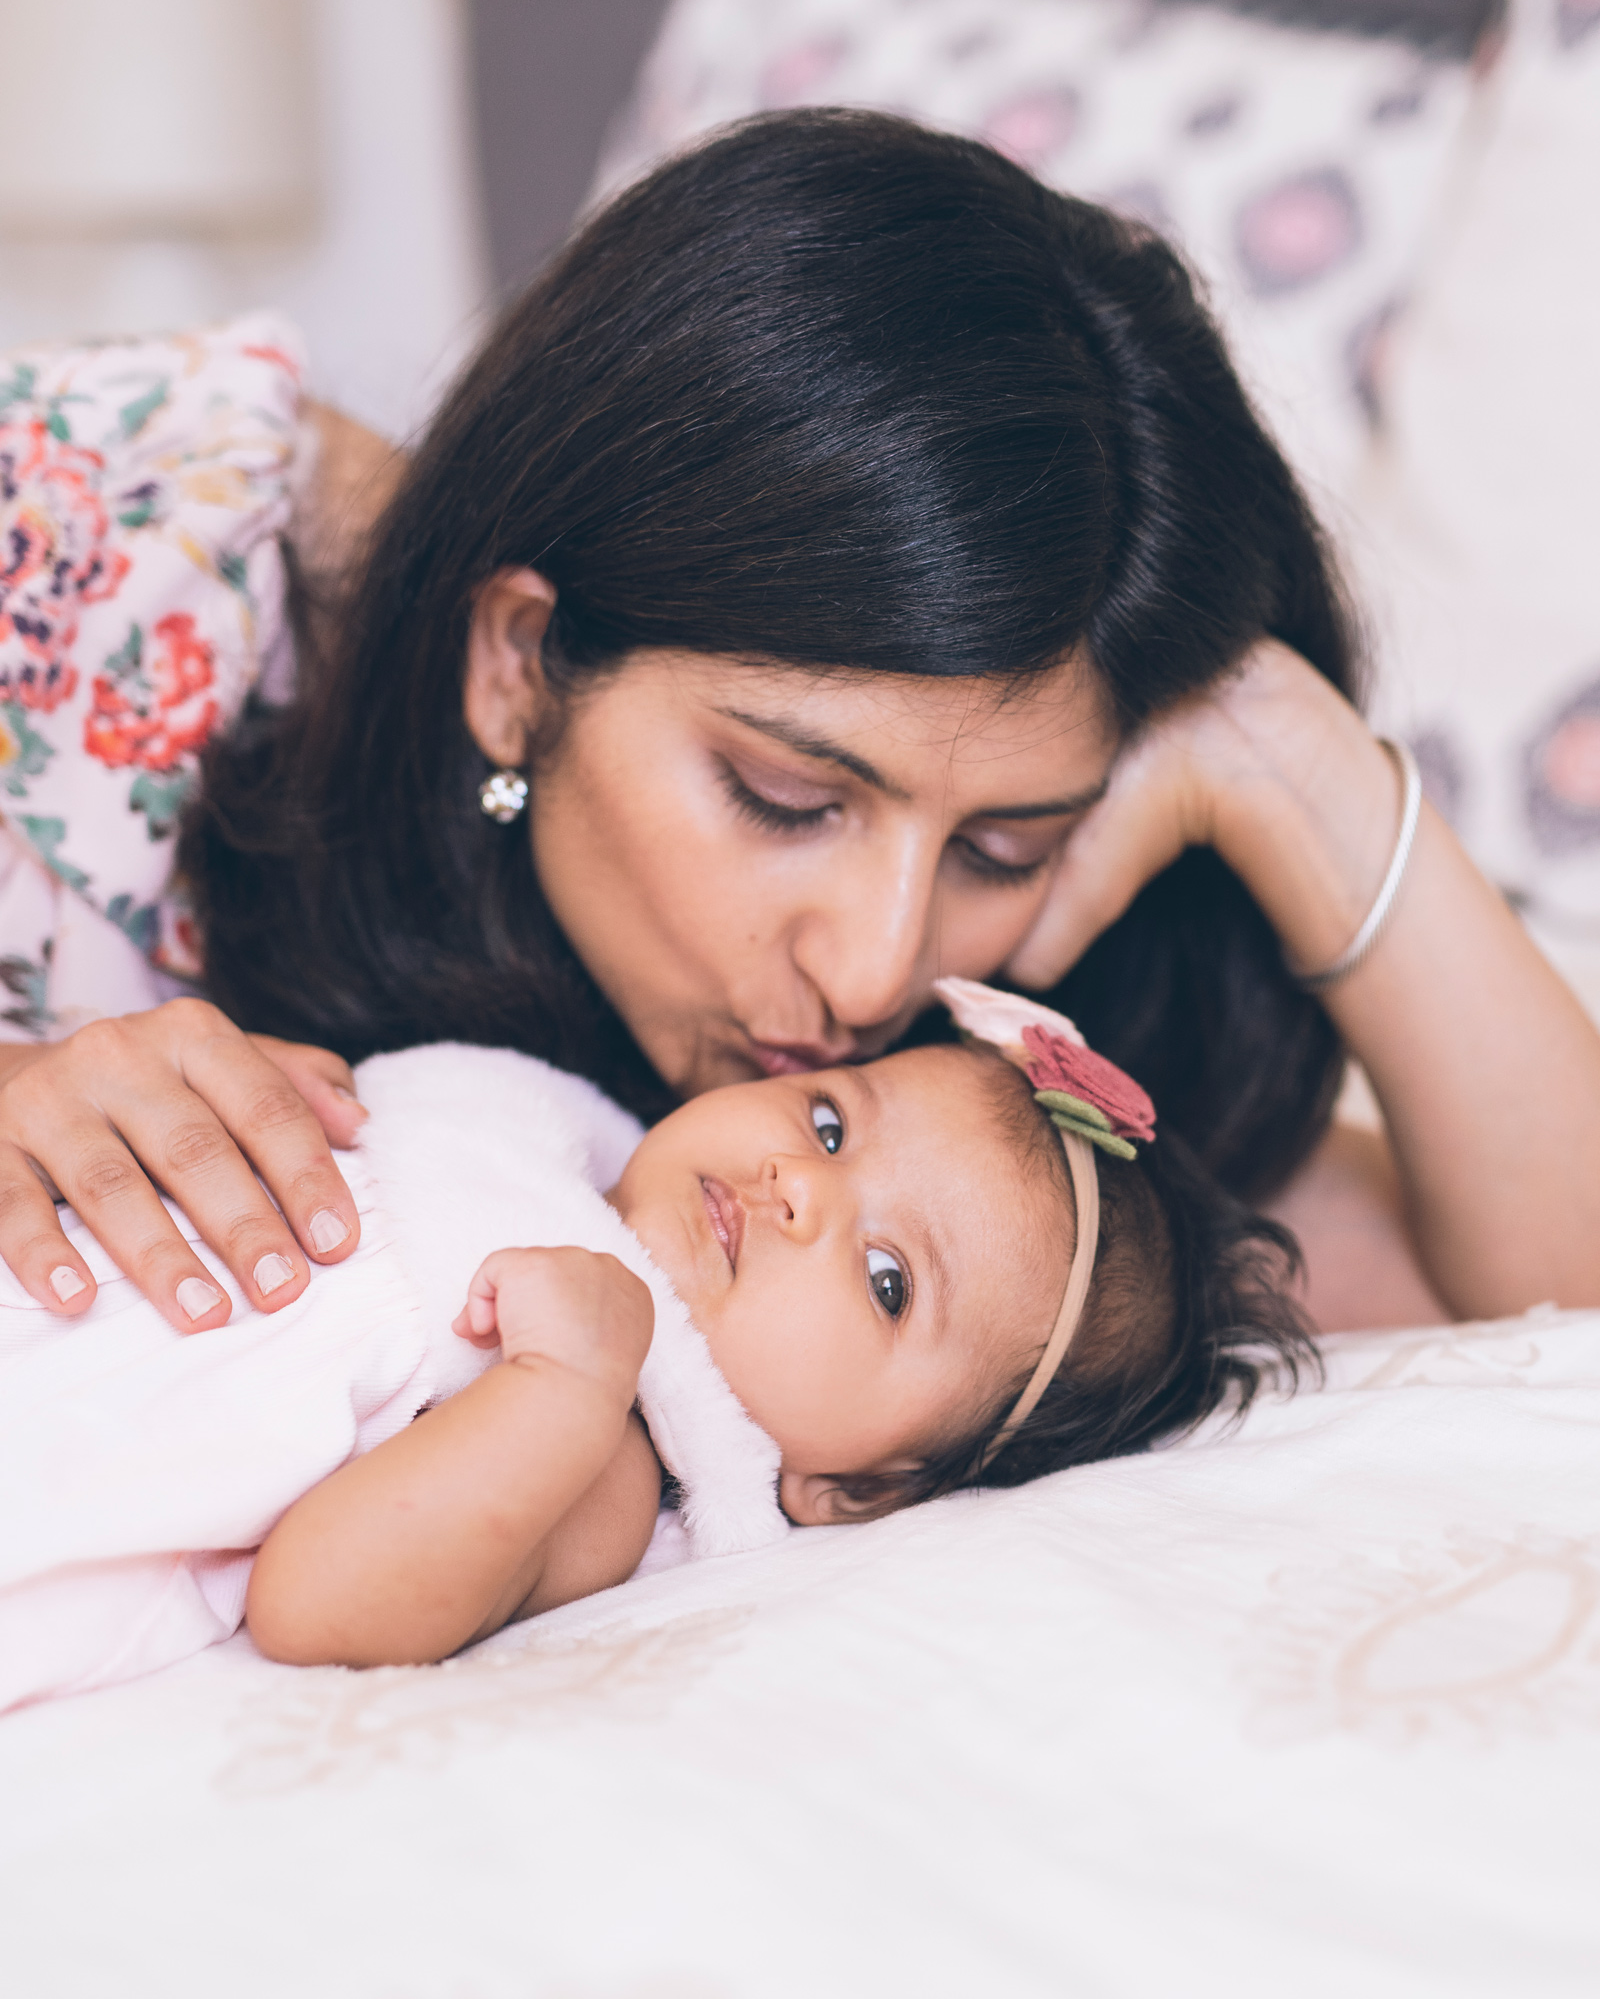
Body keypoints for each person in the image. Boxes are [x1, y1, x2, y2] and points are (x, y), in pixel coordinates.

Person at [1, 111, 1597, 1347]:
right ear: (519, 662)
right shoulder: (101, 525)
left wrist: (1278, 760)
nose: (876, 969)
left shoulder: (974, 1016)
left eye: (998, 845)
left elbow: (1549, 1294)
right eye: (784, 798)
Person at [0, 979, 1310, 1699]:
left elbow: (319, 1604)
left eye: (889, 1279)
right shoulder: (527, 1129)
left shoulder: (615, 1452)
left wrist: (566, 1382)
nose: (804, 1188)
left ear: (851, 1488)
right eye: (834, 1127)